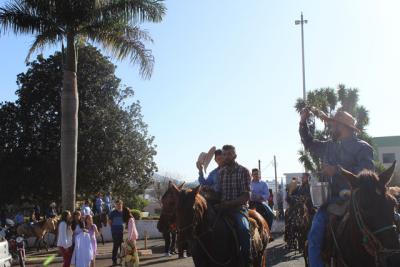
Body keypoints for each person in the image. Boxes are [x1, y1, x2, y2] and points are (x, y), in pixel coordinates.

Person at [300, 109, 374, 267]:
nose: (331, 128)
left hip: (358, 198)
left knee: (389, 225)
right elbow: (309, 143)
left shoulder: (363, 147)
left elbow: (366, 174)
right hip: (332, 200)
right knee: (314, 235)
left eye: (333, 125)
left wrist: (336, 170)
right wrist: (302, 122)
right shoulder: (329, 146)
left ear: (343, 127)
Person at [216, 145, 252, 267]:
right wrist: (208, 192)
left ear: (235, 156)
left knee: (244, 229)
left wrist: (229, 204)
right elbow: (218, 193)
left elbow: (245, 196)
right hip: (222, 209)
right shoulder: (220, 173)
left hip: (238, 210)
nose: (226, 157)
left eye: (229, 154)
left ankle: (247, 260)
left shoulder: (243, 171)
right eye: (224, 154)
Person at [109, 199, 124, 265]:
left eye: (120, 204)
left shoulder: (124, 212)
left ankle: (122, 260)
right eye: (117, 204)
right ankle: (114, 261)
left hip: (123, 232)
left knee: (122, 247)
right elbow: (109, 222)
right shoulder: (112, 213)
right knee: (115, 246)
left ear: (122, 204)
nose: (119, 206)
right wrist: (113, 227)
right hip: (115, 232)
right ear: (115, 205)